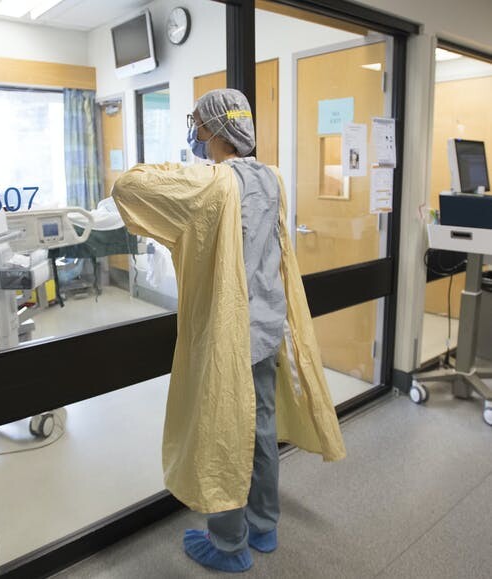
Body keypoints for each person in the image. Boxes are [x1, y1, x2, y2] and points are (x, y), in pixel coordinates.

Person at [112, 89, 345, 573]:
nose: (194, 134)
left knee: (223, 432)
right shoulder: (272, 177)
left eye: (197, 124)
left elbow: (127, 188)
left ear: (215, 130)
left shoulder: (212, 184)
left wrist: (176, 169)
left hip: (226, 336)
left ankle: (228, 544)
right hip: (265, 330)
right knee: (258, 429)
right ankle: (264, 524)